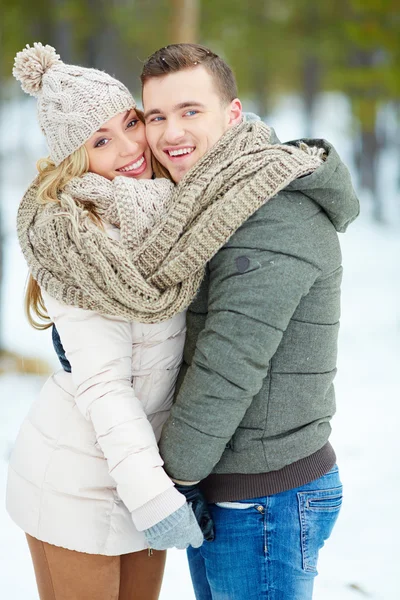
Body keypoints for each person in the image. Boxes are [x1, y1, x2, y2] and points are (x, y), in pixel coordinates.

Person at [138, 43, 360, 599]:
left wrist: (171, 478)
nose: (170, 134)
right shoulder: (207, 203)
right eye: (157, 116)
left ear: (232, 115)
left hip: (264, 499)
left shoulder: (272, 211)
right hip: (222, 484)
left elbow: (228, 363)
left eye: (191, 111)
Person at [6, 43, 204, 600]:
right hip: (79, 484)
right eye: (100, 141)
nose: (130, 148)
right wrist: (157, 500)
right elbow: (104, 384)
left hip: (140, 473)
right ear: (74, 159)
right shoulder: (79, 239)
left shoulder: (172, 206)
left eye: (130, 123)